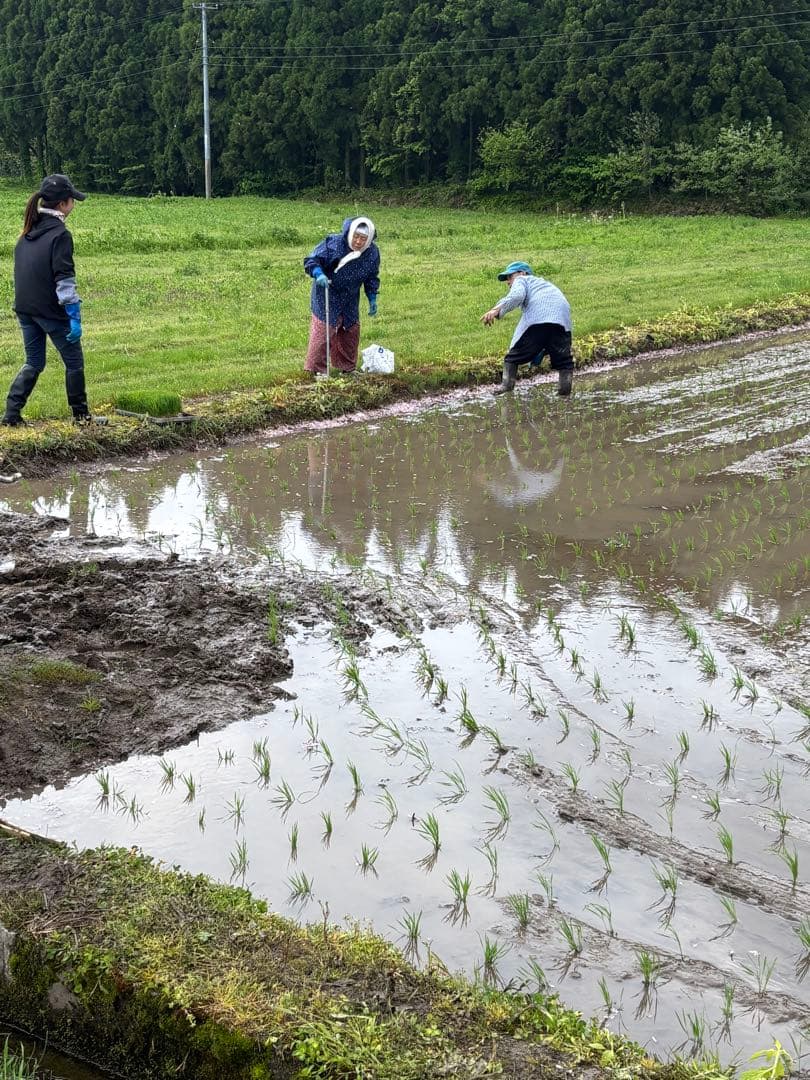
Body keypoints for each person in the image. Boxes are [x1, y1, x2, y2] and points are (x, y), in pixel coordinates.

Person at [2, 174, 104, 427]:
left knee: (34, 361)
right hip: (49, 311)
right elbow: (64, 279)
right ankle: (81, 418)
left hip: (25, 309)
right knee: (74, 362)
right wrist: (73, 315)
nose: (74, 205)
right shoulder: (60, 235)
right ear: (62, 204)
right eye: (72, 201)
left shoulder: (27, 232)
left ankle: (11, 415)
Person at [481, 261, 574, 397]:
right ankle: (564, 395)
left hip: (539, 320)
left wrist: (496, 310)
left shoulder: (522, 280)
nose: (508, 282)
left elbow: (517, 296)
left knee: (512, 358)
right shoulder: (546, 285)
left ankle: (506, 389)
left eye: (510, 277)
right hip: (562, 322)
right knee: (564, 362)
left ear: (522, 273)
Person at [303, 216, 380, 375]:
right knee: (323, 330)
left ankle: (347, 368)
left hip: (350, 296)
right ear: (350, 234)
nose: (358, 242)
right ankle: (319, 371)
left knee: (350, 331)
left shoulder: (372, 253)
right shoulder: (335, 244)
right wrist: (318, 274)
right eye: (356, 237)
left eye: (363, 239)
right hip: (327, 290)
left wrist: (372, 298)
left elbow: (372, 276)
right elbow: (312, 260)